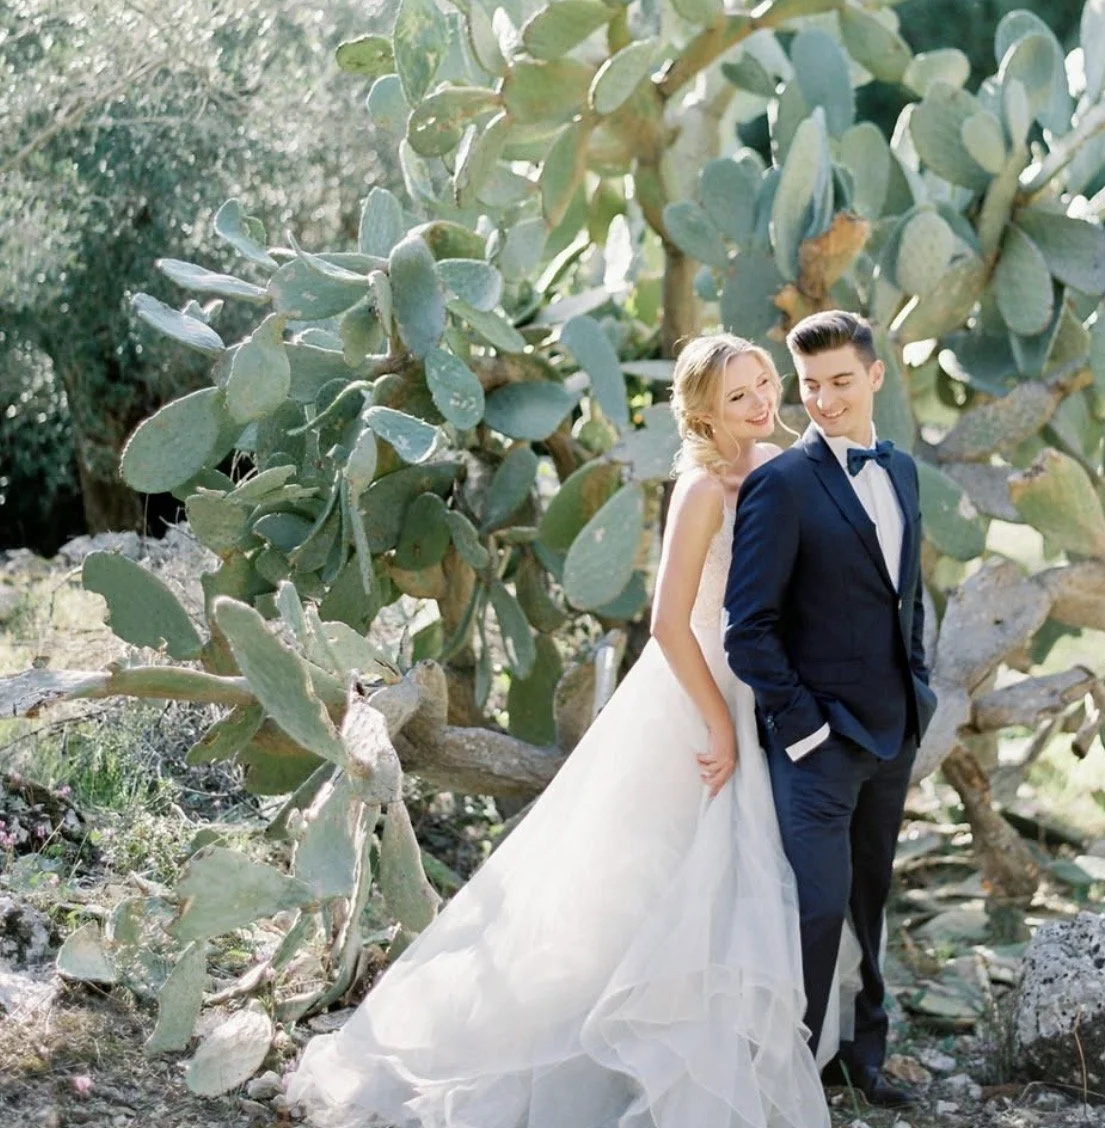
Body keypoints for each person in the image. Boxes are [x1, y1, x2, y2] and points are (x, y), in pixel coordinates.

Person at [286, 332, 832, 1128]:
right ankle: (623, 1061)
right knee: (662, 876)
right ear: (705, 414)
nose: (761, 403)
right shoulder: (703, 492)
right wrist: (717, 724)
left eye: (763, 385)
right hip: (698, 691)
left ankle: (705, 1054)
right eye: (739, 396)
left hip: (763, 688)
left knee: (728, 878)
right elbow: (669, 624)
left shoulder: (781, 470)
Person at [724, 309, 936, 1110]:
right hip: (815, 744)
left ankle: (860, 1062)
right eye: (810, 385)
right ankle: (785, 1083)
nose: (825, 401)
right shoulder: (779, 484)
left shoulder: (904, 471)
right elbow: (749, 629)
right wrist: (803, 730)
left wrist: (917, 684)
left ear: (876, 377)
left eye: (841, 382)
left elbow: (904, 596)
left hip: (893, 730)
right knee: (812, 913)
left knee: (868, 900)